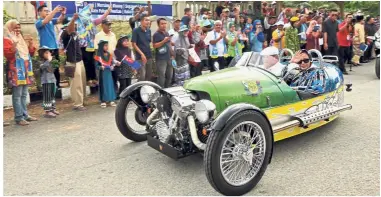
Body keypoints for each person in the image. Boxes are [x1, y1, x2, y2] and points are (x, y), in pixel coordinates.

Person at [4, 20, 38, 125]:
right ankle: (18, 117)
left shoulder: (21, 39)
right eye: (15, 28)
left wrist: (31, 44)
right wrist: (14, 46)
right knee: (17, 94)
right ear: (9, 28)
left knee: (24, 93)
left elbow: (29, 54)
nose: (17, 30)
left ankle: (25, 114)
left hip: (25, 69)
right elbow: (8, 56)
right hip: (16, 70)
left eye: (19, 27)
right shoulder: (6, 39)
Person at [80, 4, 112, 88]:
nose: (88, 16)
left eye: (89, 14)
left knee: (93, 62)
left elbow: (101, 19)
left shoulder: (92, 22)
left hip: (92, 46)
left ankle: (94, 79)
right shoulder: (80, 24)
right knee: (87, 62)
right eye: (87, 14)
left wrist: (108, 11)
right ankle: (88, 79)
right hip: (84, 46)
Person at [36, 5, 66, 89]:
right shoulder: (38, 22)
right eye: (45, 11)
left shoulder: (51, 21)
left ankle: (57, 85)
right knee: (47, 68)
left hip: (54, 47)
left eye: (48, 11)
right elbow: (45, 21)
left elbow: (59, 20)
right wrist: (54, 11)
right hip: (46, 49)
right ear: (39, 12)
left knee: (56, 67)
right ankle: (48, 86)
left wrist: (63, 14)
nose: (47, 12)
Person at [61, 14, 87, 111]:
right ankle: (77, 104)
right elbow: (69, 29)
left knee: (82, 82)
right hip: (72, 62)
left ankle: (82, 101)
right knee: (76, 84)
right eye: (73, 24)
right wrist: (73, 19)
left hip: (79, 61)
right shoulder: (65, 34)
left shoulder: (75, 34)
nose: (75, 25)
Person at [94, 40, 119, 107]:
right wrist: (100, 67)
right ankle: (103, 101)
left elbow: (112, 62)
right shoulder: (98, 55)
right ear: (101, 46)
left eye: (107, 45)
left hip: (109, 73)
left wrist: (113, 66)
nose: (107, 47)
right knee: (103, 86)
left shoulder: (109, 54)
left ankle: (111, 99)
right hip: (102, 73)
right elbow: (96, 65)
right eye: (105, 45)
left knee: (110, 86)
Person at [38, 46, 59, 118]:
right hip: (46, 81)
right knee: (47, 97)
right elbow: (42, 67)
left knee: (52, 96)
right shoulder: (41, 62)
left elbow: (52, 70)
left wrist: (53, 63)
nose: (49, 54)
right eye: (46, 53)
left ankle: (52, 109)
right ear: (42, 54)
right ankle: (47, 111)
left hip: (52, 80)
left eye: (49, 52)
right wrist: (48, 61)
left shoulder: (50, 61)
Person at [153, 18, 174, 88]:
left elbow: (169, 44)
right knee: (161, 76)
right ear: (158, 25)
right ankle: (160, 91)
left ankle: (167, 89)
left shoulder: (167, 33)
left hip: (169, 58)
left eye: (165, 23)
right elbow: (155, 45)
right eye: (162, 24)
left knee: (169, 75)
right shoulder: (156, 34)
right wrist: (163, 41)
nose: (164, 25)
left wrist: (172, 54)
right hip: (161, 59)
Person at [131, 15, 153, 81]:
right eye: (146, 20)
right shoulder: (136, 31)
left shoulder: (149, 30)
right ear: (141, 21)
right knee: (142, 76)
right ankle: (138, 90)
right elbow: (133, 44)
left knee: (149, 75)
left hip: (149, 56)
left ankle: (146, 90)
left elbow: (148, 42)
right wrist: (142, 54)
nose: (148, 22)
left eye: (148, 20)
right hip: (140, 57)